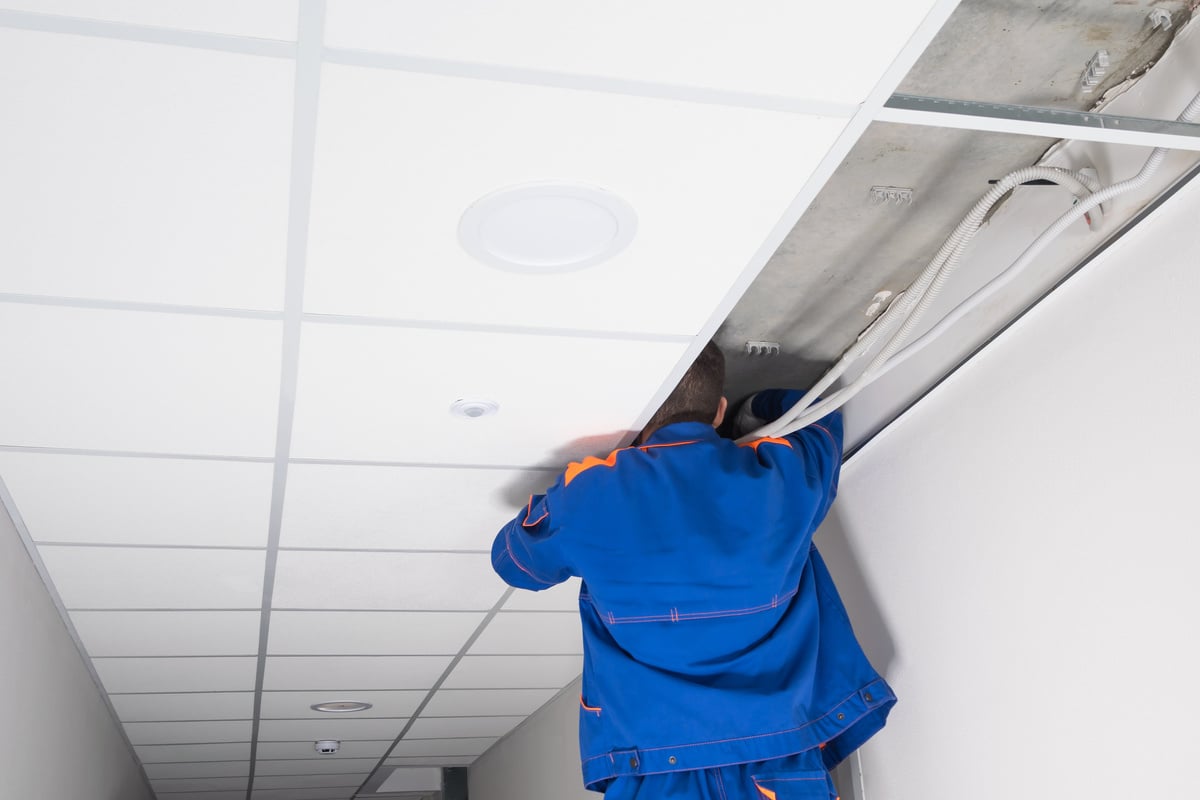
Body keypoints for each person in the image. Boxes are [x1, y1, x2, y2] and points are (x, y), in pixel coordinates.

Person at [491, 341, 895, 799]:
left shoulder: (590, 493)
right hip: (769, 752)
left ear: (636, 417)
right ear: (718, 410)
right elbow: (818, 416)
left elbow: (514, 564)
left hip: (661, 761)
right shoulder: (781, 479)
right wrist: (756, 410)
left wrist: (571, 498)